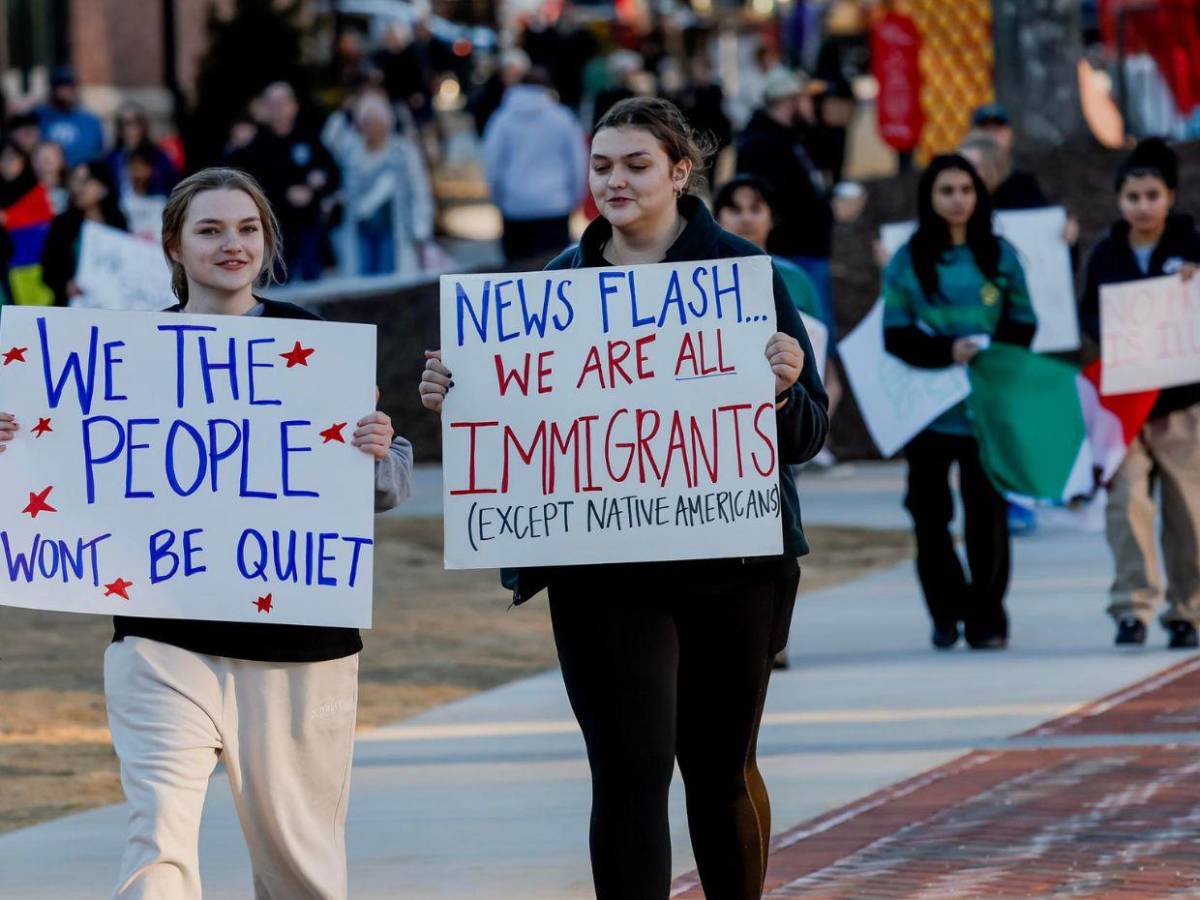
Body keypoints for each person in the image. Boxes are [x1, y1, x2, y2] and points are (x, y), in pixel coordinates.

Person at [420, 96, 829, 900]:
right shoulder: (554, 290)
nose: (616, 180)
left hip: (731, 561)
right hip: (601, 569)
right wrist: (457, 396)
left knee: (718, 768)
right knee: (627, 772)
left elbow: (809, 435)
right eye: (602, 165)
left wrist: (780, 392)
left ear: (680, 171)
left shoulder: (745, 277)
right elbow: (520, 431)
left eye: (637, 165)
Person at [70, 167, 410, 898]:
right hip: (162, 638)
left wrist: (376, 451)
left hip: (299, 647)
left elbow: (387, 487)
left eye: (248, 228)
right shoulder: (128, 353)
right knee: (156, 842)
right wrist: (19, 442)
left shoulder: (315, 343)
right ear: (174, 245)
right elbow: (71, 471)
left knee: (300, 866)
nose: (233, 244)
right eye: (211, 229)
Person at [882, 154, 1037, 651]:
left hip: (985, 413)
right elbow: (895, 334)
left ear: (979, 195)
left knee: (987, 517)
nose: (957, 200)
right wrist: (947, 351)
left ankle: (988, 617)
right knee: (929, 518)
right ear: (930, 197)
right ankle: (946, 613)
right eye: (946, 190)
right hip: (929, 413)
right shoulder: (910, 258)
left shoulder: (1000, 254)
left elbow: (1024, 322)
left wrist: (990, 353)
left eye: (965, 190)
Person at [1078, 138, 1200, 649]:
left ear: (1170, 196)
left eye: (1152, 195)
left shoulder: (1193, 247)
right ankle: (1132, 606)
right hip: (1123, 405)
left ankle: (1187, 609)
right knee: (1126, 504)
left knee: (1188, 510)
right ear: (1120, 200)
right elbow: (1086, 313)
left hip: (1179, 404)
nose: (1143, 206)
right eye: (1132, 197)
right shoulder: (1107, 252)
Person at [736, 68, 835, 345]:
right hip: (793, 252)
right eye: (804, 98)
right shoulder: (761, 145)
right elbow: (764, 199)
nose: (810, 104)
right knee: (809, 335)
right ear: (789, 100)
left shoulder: (791, 137)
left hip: (808, 249)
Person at [227, 82, 339, 281]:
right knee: (277, 284)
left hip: (308, 226)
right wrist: (285, 192)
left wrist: (317, 186)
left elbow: (333, 173)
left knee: (312, 281)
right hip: (274, 229)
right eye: (272, 103)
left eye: (282, 103)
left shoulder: (309, 137)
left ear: (294, 105)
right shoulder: (256, 143)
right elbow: (246, 181)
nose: (278, 108)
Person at [322, 91, 434, 276]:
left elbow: (419, 189)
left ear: (386, 122)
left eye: (374, 121)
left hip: (395, 232)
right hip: (361, 233)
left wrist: (421, 227)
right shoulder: (352, 152)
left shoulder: (403, 151)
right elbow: (329, 146)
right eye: (365, 122)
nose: (370, 127)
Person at [482, 67, 586, 264]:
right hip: (555, 205)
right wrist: (575, 197)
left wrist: (497, 197)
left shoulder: (502, 120)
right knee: (554, 273)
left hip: (515, 206)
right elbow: (577, 161)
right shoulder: (562, 118)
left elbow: (492, 162)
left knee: (517, 274)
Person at [40, 160, 128, 305]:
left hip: (111, 309)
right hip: (70, 308)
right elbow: (48, 269)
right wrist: (65, 285)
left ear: (103, 188)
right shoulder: (62, 224)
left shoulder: (118, 222)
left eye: (85, 180)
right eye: (75, 180)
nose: (78, 187)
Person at [104, 102, 179, 201]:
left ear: (143, 125)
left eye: (135, 122)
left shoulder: (160, 157)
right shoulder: (111, 159)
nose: (129, 128)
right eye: (124, 123)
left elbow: (173, 189)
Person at [34, 66, 105, 167]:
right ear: (53, 89)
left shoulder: (91, 121)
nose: (65, 91)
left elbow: (99, 154)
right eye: (61, 86)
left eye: (69, 86)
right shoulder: (39, 117)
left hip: (81, 178)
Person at [31, 140, 68, 213]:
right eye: (40, 156)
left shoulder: (72, 190)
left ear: (63, 160)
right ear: (33, 162)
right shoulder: (25, 192)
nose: (46, 159)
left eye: (52, 155)